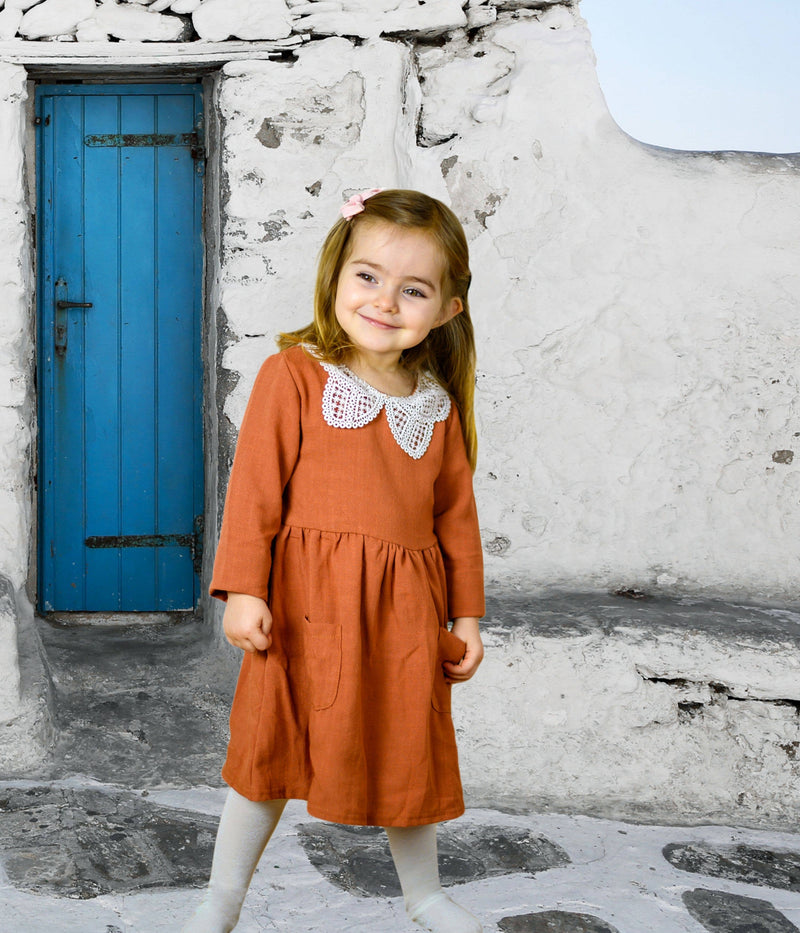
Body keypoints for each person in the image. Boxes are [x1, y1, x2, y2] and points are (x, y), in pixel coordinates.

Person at [183, 188, 485, 933]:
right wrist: (245, 591)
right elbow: (254, 490)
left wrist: (468, 614)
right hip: (303, 607)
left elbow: (456, 520)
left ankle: (425, 894)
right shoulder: (295, 374)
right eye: (368, 276)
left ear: (446, 309)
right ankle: (221, 898)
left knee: (406, 748)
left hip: (403, 618)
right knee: (270, 749)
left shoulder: (436, 405)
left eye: (413, 289)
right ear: (336, 276)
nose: (385, 300)